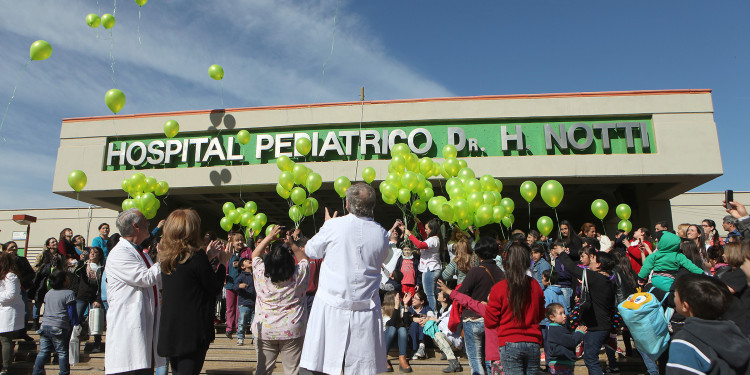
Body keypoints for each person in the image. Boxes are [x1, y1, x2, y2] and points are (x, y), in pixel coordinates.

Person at [299, 183, 390, 375]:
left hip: (336, 306)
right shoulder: (382, 234)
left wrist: (327, 226)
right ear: (372, 206)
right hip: (360, 309)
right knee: (361, 368)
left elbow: (310, 250)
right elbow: (382, 257)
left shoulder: (334, 225)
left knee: (319, 365)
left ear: (347, 204)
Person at [157, 209, 226, 375]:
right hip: (192, 330)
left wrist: (208, 258)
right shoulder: (196, 256)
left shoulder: (166, 256)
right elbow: (214, 286)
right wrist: (223, 263)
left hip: (172, 328)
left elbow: (189, 275)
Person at [105, 208, 165, 375]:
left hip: (145, 325)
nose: (149, 224)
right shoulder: (119, 253)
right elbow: (145, 278)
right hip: (128, 329)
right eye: (145, 221)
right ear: (136, 226)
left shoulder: (139, 252)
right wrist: (165, 259)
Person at [252, 225, 309, 375]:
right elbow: (304, 260)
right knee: (292, 371)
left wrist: (269, 237)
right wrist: (291, 244)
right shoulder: (299, 275)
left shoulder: (260, 273)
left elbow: (255, 255)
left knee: (262, 370)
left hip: (265, 329)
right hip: (292, 329)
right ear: (290, 262)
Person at [666, 273, 750, 374]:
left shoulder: (684, 341)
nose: (674, 298)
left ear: (685, 306)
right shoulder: (733, 331)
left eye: (675, 295)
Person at [485, 241, 546, 375]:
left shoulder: (499, 288)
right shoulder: (535, 285)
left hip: (509, 342)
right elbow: (541, 315)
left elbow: (490, 322)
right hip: (533, 342)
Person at [557, 249, 617, 375]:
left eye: (593, 259)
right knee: (591, 358)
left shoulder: (596, 277)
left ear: (599, 264)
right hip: (602, 324)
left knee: (590, 358)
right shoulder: (609, 281)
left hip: (596, 327)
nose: (590, 262)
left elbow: (572, 268)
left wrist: (561, 253)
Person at [457, 236, 505, 375]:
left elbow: (461, 293)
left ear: (478, 254)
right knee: (491, 359)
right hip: (492, 319)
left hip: (472, 319)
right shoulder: (500, 273)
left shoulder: (476, 271)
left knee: (475, 360)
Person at [32, 269, 78, 375]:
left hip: (45, 325)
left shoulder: (48, 293)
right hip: (59, 326)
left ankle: (37, 372)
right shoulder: (69, 293)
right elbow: (72, 312)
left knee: (43, 352)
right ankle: (63, 373)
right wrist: (76, 324)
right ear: (63, 281)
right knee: (62, 352)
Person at [637, 232, 705, 292]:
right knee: (668, 295)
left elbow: (646, 268)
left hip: (655, 279)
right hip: (670, 280)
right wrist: (701, 273)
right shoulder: (678, 255)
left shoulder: (654, 255)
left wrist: (641, 278)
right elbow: (690, 266)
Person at [404, 218, 444, 311]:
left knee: (429, 294)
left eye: (427, 228)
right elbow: (424, 235)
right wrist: (419, 223)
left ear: (432, 229)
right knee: (434, 293)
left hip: (430, 269)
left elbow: (420, 245)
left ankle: (432, 313)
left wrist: (410, 234)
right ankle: (437, 311)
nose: (425, 230)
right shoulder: (433, 238)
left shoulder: (433, 240)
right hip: (433, 268)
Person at [74, 246, 105, 353]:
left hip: (94, 296)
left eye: (95, 252)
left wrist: (99, 299)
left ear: (99, 255)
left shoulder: (102, 268)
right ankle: (74, 341)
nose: (92, 254)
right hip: (82, 295)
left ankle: (97, 343)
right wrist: (81, 261)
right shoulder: (84, 265)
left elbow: (102, 285)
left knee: (96, 320)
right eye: (91, 252)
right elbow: (76, 273)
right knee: (77, 318)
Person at [0, 252, 25, 375]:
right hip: (2, 310)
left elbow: (11, 294)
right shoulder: (2, 275)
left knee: (5, 338)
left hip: (8, 311)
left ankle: (6, 366)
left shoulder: (11, 276)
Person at [31, 238, 64, 330]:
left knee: (49, 302)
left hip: (54, 281)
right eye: (52, 242)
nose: (55, 243)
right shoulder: (43, 255)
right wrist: (46, 268)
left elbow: (63, 267)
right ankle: (35, 322)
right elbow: (35, 267)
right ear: (48, 245)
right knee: (38, 301)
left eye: (56, 241)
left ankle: (46, 321)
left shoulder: (60, 256)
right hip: (43, 281)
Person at [545, 303, 586, 375]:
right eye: (560, 314)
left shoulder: (556, 328)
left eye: (564, 313)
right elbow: (571, 341)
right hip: (561, 364)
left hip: (562, 363)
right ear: (552, 317)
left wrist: (576, 333)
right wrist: (580, 333)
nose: (564, 316)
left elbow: (567, 339)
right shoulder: (557, 329)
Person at [224, 231, 249, 339]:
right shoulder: (229, 253)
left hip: (240, 283)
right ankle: (229, 328)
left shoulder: (246, 252)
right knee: (230, 307)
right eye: (237, 240)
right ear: (232, 243)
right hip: (230, 282)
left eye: (241, 240)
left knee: (239, 307)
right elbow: (224, 264)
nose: (239, 242)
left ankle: (239, 328)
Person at [381, 291, 413, 372]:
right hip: (385, 342)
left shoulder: (400, 308)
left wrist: (406, 305)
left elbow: (406, 323)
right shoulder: (383, 311)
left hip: (398, 342)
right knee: (392, 328)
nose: (400, 300)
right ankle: (383, 358)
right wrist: (396, 307)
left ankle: (402, 358)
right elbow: (391, 323)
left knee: (402, 329)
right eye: (398, 298)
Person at [406, 290, 435, 360]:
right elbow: (405, 319)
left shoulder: (427, 309)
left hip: (426, 338)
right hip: (412, 337)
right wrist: (413, 319)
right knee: (414, 324)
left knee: (423, 322)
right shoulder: (409, 310)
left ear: (422, 302)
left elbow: (432, 317)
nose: (413, 300)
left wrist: (426, 320)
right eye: (413, 298)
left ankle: (422, 346)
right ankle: (414, 349)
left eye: (415, 298)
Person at [233, 258, 255, 346]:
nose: (249, 261)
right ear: (242, 266)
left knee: (255, 323)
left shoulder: (255, 274)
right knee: (242, 322)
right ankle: (240, 337)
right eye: (246, 261)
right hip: (244, 303)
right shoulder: (241, 276)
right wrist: (239, 285)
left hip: (255, 303)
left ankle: (255, 338)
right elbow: (234, 286)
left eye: (250, 260)